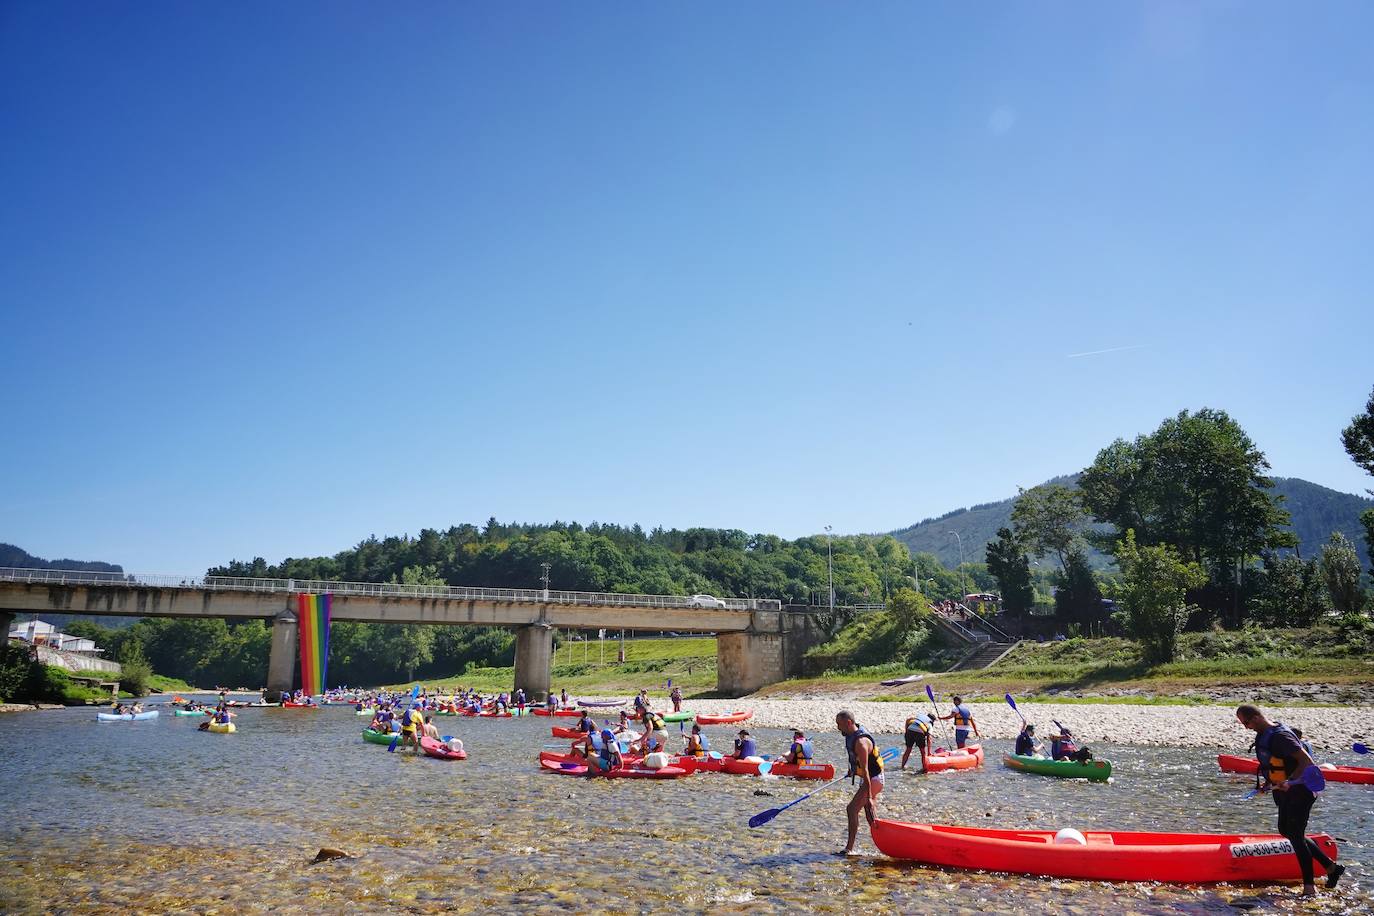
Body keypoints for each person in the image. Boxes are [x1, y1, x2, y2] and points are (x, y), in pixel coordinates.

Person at [1237, 704, 1344, 896]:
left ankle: (1309, 887)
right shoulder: (1263, 735)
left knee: (1295, 835)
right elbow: (1274, 764)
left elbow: (1306, 762)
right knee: (1286, 830)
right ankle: (1331, 868)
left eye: (1246, 722)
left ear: (1256, 717)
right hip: (1285, 791)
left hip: (1301, 791)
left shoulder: (1281, 736)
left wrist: (1290, 781)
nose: (1246, 727)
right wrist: (1268, 783)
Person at [836, 710, 883, 855]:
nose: (838, 728)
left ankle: (849, 849)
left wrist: (869, 796)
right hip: (868, 778)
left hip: (873, 779)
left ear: (849, 723)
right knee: (868, 814)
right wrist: (853, 770)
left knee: (851, 809)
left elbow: (867, 771)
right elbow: (858, 762)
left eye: (839, 724)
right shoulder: (850, 735)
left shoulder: (861, 742)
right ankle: (884, 840)